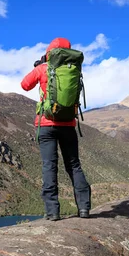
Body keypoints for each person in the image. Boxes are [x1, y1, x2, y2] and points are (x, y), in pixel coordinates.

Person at [21, 37, 91, 221]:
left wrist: (40, 66)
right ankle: (83, 209)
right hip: (68, 124)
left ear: (49, 52)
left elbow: (25, 85)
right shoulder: (74, 69)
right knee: (74, 165)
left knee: (49, 166)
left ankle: (52, 212)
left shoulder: (43, 68)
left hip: (46, 124)